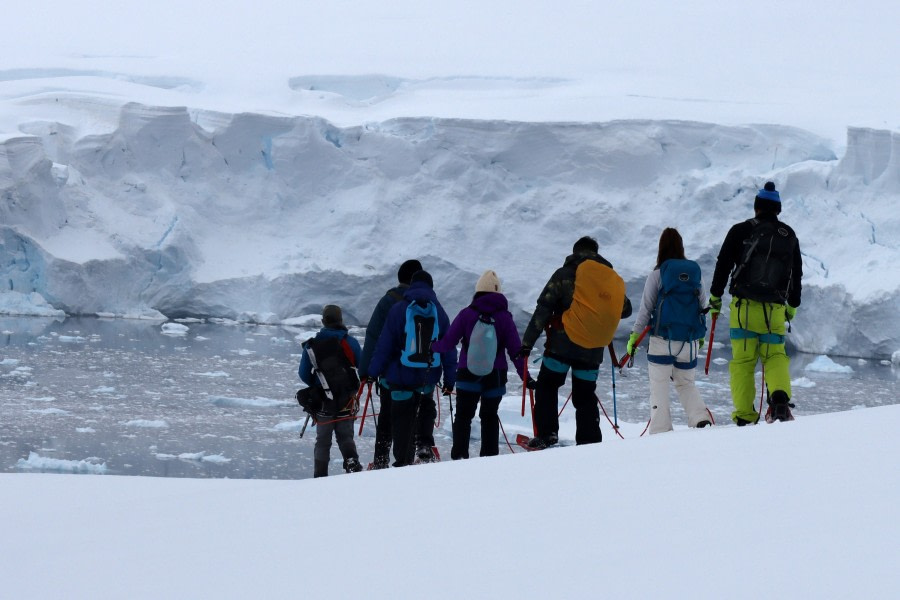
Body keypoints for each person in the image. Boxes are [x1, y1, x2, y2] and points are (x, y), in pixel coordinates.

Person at [518, 236, 632, 448]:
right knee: (585, 395)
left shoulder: (564, 274)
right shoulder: (608, 278)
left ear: (575, 251)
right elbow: (626, 309)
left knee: (548, 386)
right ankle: (589, 443)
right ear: (596, 253)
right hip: (593, 349)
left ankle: (547, 435)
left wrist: (527, 343)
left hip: (562, 345)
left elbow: (543, 308)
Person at [709, 182, 802, 425]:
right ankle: (780, 400)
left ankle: (744, 416)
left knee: (743, 363)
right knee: (775, 357)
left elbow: (723, 264)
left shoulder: (740, 230)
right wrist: (792, 306)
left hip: (744, 310)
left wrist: (715, 296)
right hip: (774, 310)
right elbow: (796, 274)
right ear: (778, 209)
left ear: (756, 207)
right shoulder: (788, 235)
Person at [431, 270, 533, 459]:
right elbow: (515, 351)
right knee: (489, 416)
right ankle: (489, 458)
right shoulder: (505, 318)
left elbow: (448, 343)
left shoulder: (466, 314)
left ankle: (459, 457)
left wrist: (431, 347)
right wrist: (525, 376)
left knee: (463, 416)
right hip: (495, 376)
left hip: (467, 373)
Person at [367, 270, 458, 466]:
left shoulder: (399, 309)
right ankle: (423, 446)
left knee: (401, 423)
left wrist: (372, 372)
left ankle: (403, 462)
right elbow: (449, 349)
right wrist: (450, 380)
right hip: (426, 377)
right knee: (425, 407)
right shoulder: (439, 312)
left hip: (399, 379)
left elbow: (385, 345)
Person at [628, 228, 711, 434]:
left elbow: (645, 311)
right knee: (686, 383)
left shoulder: (657, 274)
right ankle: (701, 419)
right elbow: (703, 306)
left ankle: (661, 430)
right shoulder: (694, 275)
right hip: (689, 341)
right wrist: (699, 337)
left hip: (661, 341)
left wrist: (634, 339)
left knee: (659, 386)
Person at [358, 259, 423, 469]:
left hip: (389, 373)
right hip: (417, 372)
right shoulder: (425, 303)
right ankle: (406, 459)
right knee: (411, 417)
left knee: (386, 416)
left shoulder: (388, 301)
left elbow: (373, 336)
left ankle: (381, 460)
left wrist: (367, 371)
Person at [298, 305, 363, 477]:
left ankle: (320, 475)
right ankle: (352, 464)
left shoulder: (311, 346)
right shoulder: (350, 342)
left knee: (323, 440)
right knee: (345, 436)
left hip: (323, 400)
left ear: (323, 321)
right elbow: (362, 367)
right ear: (341, 320)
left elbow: (304, 375)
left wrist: (319, 383)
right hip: (347, 398)